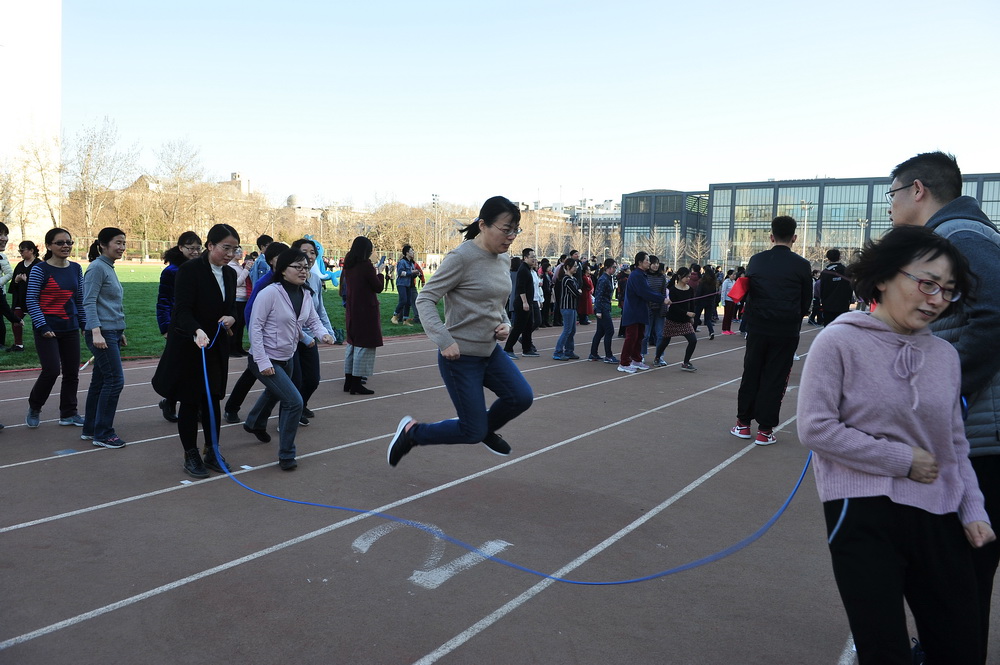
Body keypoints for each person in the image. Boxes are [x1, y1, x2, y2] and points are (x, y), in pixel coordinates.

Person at [798, 225, 992, 664]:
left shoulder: (945, 355)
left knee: (960, 642)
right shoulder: (838, 341)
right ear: (884, 277)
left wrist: (973, 510)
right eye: (927, 283)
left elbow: (954, 444)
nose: (937, 299)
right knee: (883, 648)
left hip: (938, 511)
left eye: (949, 290)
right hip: (862, 511)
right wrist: (900, 459)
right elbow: (816, 428)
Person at [888, 151, 1000, 661]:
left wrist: (945, 390)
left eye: (892, 194)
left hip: (979, 444)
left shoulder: (960, 236)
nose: (890, 206)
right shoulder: (956, 236)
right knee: (961, 579)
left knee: (954, 576)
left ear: (917, 190)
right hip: (975, 436)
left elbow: (995, 314)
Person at [387, 195, 533, 467]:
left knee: (521, 397)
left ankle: (484, 429)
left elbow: (497, 302)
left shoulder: (503, 259)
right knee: (471, 432)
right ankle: (411, 433)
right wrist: (444, 340)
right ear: (483, 225)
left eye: (516, 230)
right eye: (506, 229)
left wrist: (506, 323)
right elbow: (425, 299)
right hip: (460, 357)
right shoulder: (461, 258)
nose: (512, 236)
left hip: (489, 352)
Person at [152, 224, 239, 479]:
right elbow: (181, 310)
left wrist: (232, 317)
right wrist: (196, 330)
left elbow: (231, 307)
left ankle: (212, 449)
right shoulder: (190, 270)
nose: (230, 254)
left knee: (212, 399)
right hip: (191, 346)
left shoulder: (230, 274)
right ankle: (190, 453)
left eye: (235, 249)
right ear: (210, 246)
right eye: (226, 248)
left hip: (216, 346)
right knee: (190, 400)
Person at [245, 248, 335, 470]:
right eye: (298, 267)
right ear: (283, 270)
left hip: (288, 356)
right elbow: (255, 328)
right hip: (264, 358)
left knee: (274, 392)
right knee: (294, 401)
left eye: (306, 267)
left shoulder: (305, 294)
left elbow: (311, 320)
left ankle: (254, 422)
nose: (304, 271)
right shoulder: (269, 293)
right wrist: (263, 361)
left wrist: (322, 334)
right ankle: (287, 454)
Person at [729, 216, 811, 445]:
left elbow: (747, 292)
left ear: (771, 237)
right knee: (776, 378)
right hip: (786, 330)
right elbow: (806, 301)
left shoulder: (756, 260)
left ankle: (743, 424)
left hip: (758, 327)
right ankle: (765, 430)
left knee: (751, 373)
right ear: (794, 238)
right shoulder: (802, 265)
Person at [222, 241, 289, 424]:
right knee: (251, 374)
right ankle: (232, 408)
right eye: (280, 258)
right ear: (271, 260)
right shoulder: (264, 283)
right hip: (265, 340)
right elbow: (250, 311)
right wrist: (257, 338)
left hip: (285, 341)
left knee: (290, 378)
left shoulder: (289, 281)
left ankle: (295, 409)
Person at [25, 228, 85, 433]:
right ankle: (35, 406)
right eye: (60, 243)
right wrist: (42, 326)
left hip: (70, 327)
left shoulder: (76, 268)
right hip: (47, 329)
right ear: (49, 246)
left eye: (69, 242)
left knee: (72, 373)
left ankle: (68, 413)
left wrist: (84, 324)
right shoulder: (40, 269)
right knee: (51, 370)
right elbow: (31, 300)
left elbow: (79, 300)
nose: (65, 246)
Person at [81, 227, 128, 446]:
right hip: (102, 333)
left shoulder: (108, 266)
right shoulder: (97, 268)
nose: (122, 247)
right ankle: (103, 433)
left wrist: (120, 330)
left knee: (100, 381)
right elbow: (89, 302)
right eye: (118, 242)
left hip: (111, 331)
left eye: (124, 243)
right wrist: (96, 332)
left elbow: (109, 303)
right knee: (115, 381)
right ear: (103, 244)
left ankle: (91, 428)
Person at [155, 231, 202, 423]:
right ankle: (170, 401)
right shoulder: (171, 271)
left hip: (198, 325)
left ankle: (196, 405)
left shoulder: (202, 267)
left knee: (197, 368)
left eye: (198, 248)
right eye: (191, 248)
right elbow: (164, 301)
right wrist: (166, 327)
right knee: (179, 367)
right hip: (178, 327)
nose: (195, 252)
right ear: (181, 247)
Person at [290, 238, 336, 418]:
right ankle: (289, 413)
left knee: (312, 380)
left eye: (312, 253)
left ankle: (301, 405)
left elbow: (319, 309)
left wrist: (328, 332)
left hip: (310, 338)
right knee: (293, 380)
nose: (309, 256)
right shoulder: (286, 282)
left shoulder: (315, 279)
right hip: (290, 339)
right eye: (305, 252)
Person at [341, 236, 385, 395]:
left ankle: (348, 381)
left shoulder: (349, 264)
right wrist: (380, 273)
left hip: (353, 309)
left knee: (352, 344)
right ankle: (356, 383)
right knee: (364, 346)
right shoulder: (366, 266)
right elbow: (378, 287)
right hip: (366, 311)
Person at [618, 252, 671, 374]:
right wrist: (662, 299)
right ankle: (624, 363)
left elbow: (647, 291)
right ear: (640, 262)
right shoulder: (636, 275)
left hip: (641, 310)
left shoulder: (642, 274)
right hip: (633, 311)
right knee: (631, 337)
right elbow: (645, 292)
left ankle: (636, 359)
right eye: (647, 260)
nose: (649, 262)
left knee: (639, 336)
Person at [653, 267, 699, 371]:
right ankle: (657, 357)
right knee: (665, 341)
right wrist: (686, 313)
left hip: (685, 321)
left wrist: (691, 316)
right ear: (679, 276)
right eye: (686, 277)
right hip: (672, 319)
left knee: (693, 340)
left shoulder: (690, 290)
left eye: (689, 277)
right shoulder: (673, 290)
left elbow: (692, 304)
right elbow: (673, 307)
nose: (688, 279)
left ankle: (686, 362)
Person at [504, 247, 540, 359]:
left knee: (528, 326)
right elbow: (520, 288)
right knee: (518, 327)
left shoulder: (528, 269)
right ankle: (508, 349)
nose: (534, 259)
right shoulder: (523, 270)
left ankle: (527, 349)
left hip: (529, 302)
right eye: (532, 257)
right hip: (522, 304)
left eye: (535, 257)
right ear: (525, 258)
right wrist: (524, 302)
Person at [9, 240, 41, 352]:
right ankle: (18, 345)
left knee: (38, 322)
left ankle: (42, 344)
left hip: (35, 300)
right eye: (20, 251)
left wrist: (27, 281)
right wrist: (17, 281)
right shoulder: (19, 265)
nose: (21, 253)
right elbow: (13, 286)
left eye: (22, 250)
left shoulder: (39, 265)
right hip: (20, 299)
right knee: (15, 319)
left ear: (31, 250)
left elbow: (42, 285)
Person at [589, 258, 619, 363]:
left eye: (615, 267)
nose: (615, 269)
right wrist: (598, 310)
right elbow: (599, 295)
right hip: (602, 308)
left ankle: (593, 353)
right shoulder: (603, 279)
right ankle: (608, 356)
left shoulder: (608, 278)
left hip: (605, 307)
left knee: (600, 331)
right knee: (609, 331)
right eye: (613, 267)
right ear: (607, 268)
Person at [553, 257, 581, 361]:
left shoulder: (573, 279)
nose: (576, 268)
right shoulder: (566, 279)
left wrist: (578, 291)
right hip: (567, 307)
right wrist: (579, 292)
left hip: (572, 307)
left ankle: (569, 351)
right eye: (574, 266)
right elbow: (575, 292)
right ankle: (558, 352)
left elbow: (578, 290)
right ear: (568, 267)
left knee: (572, 330)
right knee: (567, 330)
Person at [0, 223, 23, 350]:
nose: (4, 238)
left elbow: (10, 273)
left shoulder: (2, 257)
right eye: (0, 234)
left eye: (6, 234)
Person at [228, 246, 251, 357]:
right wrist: (246, 270)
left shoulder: (238, 266)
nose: (240, 253)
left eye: (241, 251)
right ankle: (232, 349)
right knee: (235, 325)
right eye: (237, 251)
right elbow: (236, 283)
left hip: (243, 298)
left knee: (241, 325)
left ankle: (239, 347)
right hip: (236, 298)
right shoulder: (230, 266)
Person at [819, 249, 853, 325]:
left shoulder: (825, 272)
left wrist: (822, 301)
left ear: (828, 258)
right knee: (841, 327)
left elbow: (822, 289)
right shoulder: (846, 271)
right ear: (839, 257)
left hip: (828, 305)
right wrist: (849, 300)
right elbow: (850, 288)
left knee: (829, 327)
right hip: (843, 305)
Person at [644, 256, 667, 362]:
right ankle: (641, 355)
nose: (656, 265)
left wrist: (663, 308)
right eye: (653, 263)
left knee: (660, 335)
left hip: (659, 309)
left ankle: (659, 356)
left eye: (657, 263)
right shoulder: (644, 276)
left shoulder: (662, 277)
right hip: (647, 309)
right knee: (645, 335)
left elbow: (663, 293)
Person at [390, 244, 417, 326]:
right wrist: (411, 272)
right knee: (403, 300)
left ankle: (405, 320)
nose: (413, 252)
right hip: (401, 284)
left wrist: (416, 273)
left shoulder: (411, 263)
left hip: (408, 284)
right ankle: (394, 316)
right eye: (411, 251)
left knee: (408, 302)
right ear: (407, 253)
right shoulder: (402, 262)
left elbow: (411, 274)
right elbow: (400, 273)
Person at [694, 264, 718, 340]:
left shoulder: (702, 282)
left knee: (696, 317)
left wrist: (696, 301)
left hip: (701, 301)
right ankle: (711, 331)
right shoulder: (713, 283)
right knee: (708, 319)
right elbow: (714, 294)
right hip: (709, 302)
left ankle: (693, 332)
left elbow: (699, 292)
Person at [720, 269, 738, 335]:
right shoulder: (726, 282)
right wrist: (723, 301)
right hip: (727, 300)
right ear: (729, 275)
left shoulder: (734, 282)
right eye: (733, 274)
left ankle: (728, 329)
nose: (734, 276)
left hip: (732, 300)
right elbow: (723, 292)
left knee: (731, 315)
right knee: (727, 315)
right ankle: (724, 329)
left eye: (735, 274)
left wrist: (737, 300)